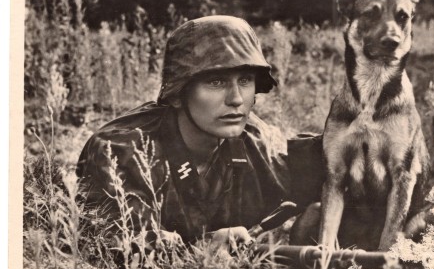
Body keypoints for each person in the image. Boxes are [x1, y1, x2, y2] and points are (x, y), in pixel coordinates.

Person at [76, 15, 325, 251]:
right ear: (178, 92)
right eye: (216, 82)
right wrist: (199, 248)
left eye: (245, 80)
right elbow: (116, 243)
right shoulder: (123, 150)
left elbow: (316, 165)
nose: (236, 99)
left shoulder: (254, 139)